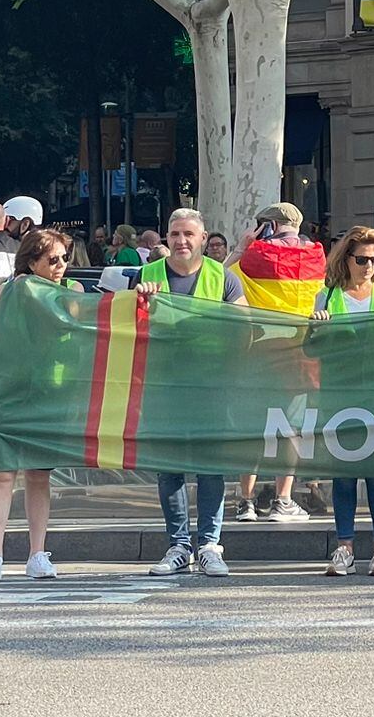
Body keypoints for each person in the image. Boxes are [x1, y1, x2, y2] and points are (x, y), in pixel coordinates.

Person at [0, 229, 75, 581]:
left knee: (39, 475)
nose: (60, 266)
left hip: (46, 394)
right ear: (32, 260)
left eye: (64, 259)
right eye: (52, 259)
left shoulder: (68, 295)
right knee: (1, 474)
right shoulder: (5, 293)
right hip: (3, 393)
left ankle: (37, 553)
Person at [138, 208, 244, 577]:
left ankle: (210, 545)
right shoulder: (147, 275)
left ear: (203, 239)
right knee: (169, 468)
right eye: (175, 234)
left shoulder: (223, 277)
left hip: (210, 385)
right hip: (164, 384)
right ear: (166, 238)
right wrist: (139, 302)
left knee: (210, 466)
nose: (181, 241)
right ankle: (179, 545)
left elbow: (244, 325)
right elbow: (125, 328)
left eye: (189, 234)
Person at [311, 227, 374, 577]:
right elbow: (311, 349)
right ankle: (344, 547)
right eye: (361, 259)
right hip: (340, 394)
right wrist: (317, 327)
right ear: (346, 259)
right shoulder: (328, 296)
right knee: (344, 473)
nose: (368, 265)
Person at [233, 202, 327, 523]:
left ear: (267, 226)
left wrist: (241, 247)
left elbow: (218, 280)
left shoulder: (253, 257)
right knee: (292, 431)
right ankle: (282, 500)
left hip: (257, 353)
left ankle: (245, 501)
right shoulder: (316, 258)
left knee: (252, 430)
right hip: (298, 355)